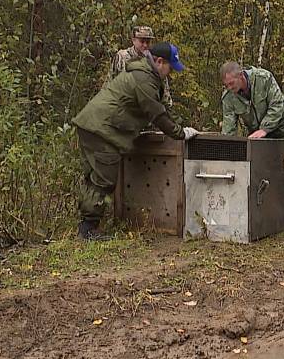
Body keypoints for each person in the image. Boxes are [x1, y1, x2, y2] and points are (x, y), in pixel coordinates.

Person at [72, 42, 199, 240]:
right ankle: (88, 229)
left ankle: (86, 226)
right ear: (158, 62)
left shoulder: (141, 72)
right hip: (102, 128)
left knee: (93, 177)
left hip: (92, 124)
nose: (170, 73)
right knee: (103, 179)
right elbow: (156, 112)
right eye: (169, 68)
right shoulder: (144, 78)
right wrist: (181, 133)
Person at [220, 61, 284, 138]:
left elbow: (277, 104)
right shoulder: (228, 96)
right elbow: (228, 128)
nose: (229, 88)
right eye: (226, 85)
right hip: (257, 135)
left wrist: (264, 129)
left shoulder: (263, 78)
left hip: (282, 130)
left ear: (241, 75)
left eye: (231, 83)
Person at [108, 25, 173, 109]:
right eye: (142, 41)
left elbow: (164, 91)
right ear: (133, 40)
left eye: (148, 42)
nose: (145, 45)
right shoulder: (122, 57)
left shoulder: (155, 60)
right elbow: (110, 81)